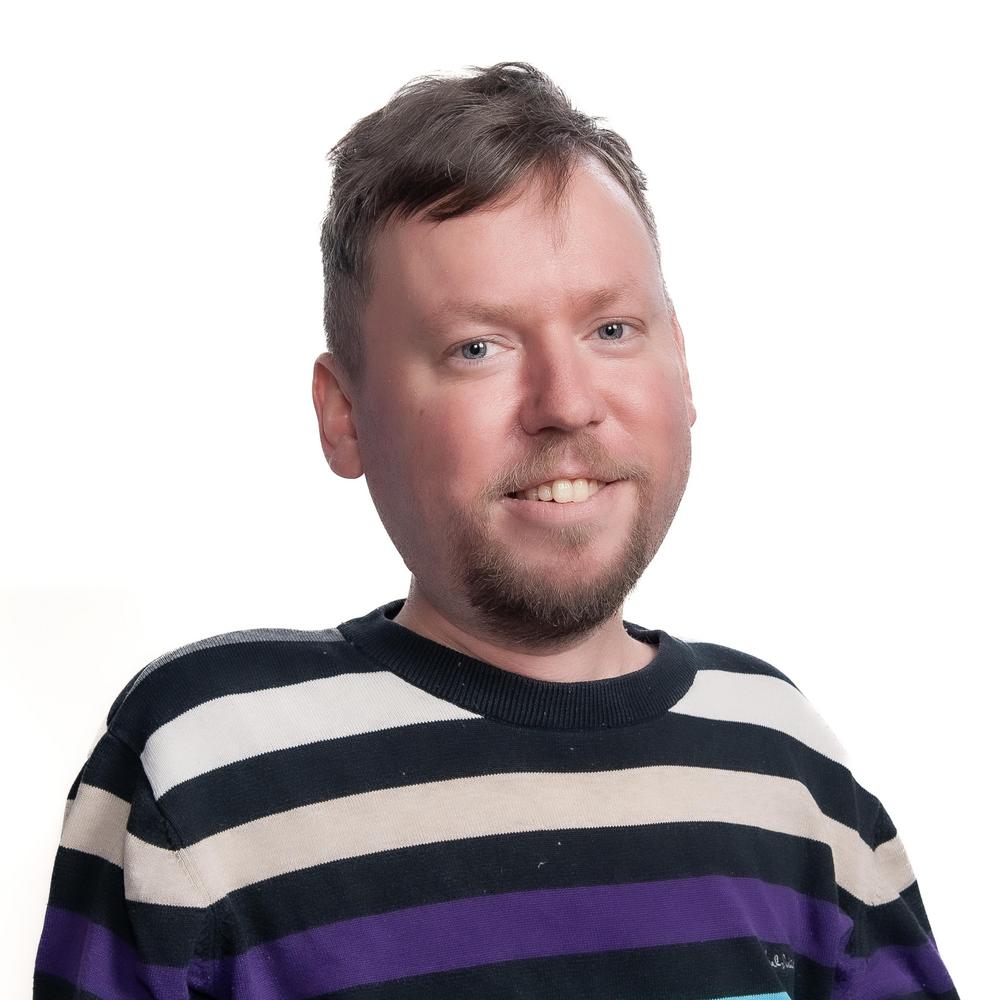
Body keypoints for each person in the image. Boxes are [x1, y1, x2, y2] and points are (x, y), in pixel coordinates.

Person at [33, 61, 959, 1000]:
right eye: (478, 347)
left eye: (612, 330)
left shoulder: (785, 763)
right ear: (345, 414)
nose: (566, 403)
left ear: (682, 363)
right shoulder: (203, 765)